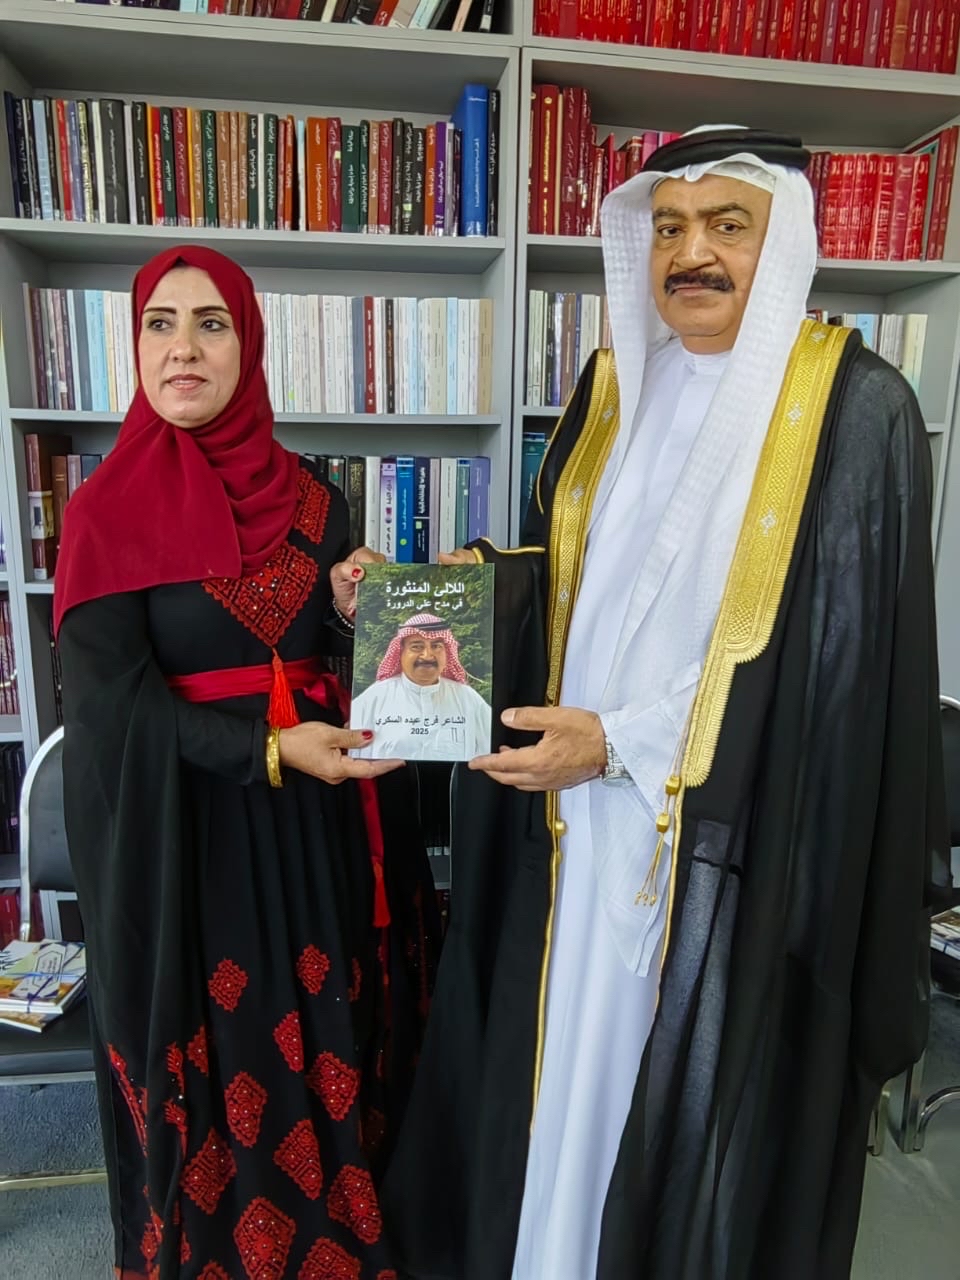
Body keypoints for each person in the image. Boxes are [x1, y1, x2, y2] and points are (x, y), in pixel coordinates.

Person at [380, 126, 953, 1280]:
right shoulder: (612, 394)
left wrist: (620, 744)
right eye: (672, 228)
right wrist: (433, 595)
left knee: (690, 1129)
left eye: (728, 226)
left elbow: (834, 673)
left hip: (733, 863)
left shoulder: (857, 410)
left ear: (781, 242)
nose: (693, 254)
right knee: (560, 1097)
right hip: (576, 833)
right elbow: (568, 584)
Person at [54, 245, 440, 1280]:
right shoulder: (102, 515)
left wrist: (359, 613)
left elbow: (332, 660)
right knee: (228, 1050)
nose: (183, 348)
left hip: (316, 826)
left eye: (211, 323)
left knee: (333, 1025)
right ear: (135, 345)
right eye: (161, 323)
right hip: (190, 840)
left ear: (249, 343)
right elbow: (109, 712)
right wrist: (266, 748)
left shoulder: (318, 498)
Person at [350, 613, 492, 762]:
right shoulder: (372, 699)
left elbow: (491, 753)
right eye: (417, 647)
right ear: (400, 653)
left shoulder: (467, 698)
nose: (427, 655)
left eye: (436, 646)